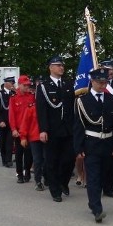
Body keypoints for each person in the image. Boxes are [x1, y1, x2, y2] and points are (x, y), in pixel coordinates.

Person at [74, 68, 113, 223]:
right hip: (91, 143)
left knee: (102, 176)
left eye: (105, 82)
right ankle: (97, 208)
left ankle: (93, 201)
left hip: (107, 143)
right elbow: (79, 126)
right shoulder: (83, 101)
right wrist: (79, 148)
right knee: (93, 177)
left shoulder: (111, 100)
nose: (103, 85)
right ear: (92, 82)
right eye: (100, 83)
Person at [36, 56, 76, 203]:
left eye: (62, 65)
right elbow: (41, 110)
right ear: (51, 67)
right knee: (52, 160)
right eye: (58, 65)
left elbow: (72, 106)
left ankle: (63, 182)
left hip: (68, 129)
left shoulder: (68, 84)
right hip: (52, 130)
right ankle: (55, 190)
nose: (61, 67)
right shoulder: (44, 87)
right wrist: (43, 130)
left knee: (69, 158)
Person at [14, 83, 45, 191]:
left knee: (47, 159)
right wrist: (23, 137)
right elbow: (25, 123)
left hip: (47, 137)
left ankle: (47, 178)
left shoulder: (48, 108)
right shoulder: (31, 108)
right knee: (37, 160)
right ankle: (38, 181)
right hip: (34, 137)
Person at [9, 76, 35, 183]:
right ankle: (19, 174)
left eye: (28, 85)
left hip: (29, 130)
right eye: (25, 85)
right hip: (19, 130)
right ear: (19, 85)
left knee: (29, 153)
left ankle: (27, 171)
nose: (27, 87)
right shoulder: (14, 98)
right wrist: (13, 129)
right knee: (19, 154)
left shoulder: (32, 97)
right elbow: (12, 115)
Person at [0, 77, 15, 168]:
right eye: (11, 82)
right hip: (3, 121)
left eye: (13, 82)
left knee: (10, 142)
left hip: (11, 122)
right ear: (6, 83)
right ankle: (4, 159)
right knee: (3, 142)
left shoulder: (13, 93)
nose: (12, 84)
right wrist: (0, 121)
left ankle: (9, 160)